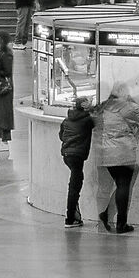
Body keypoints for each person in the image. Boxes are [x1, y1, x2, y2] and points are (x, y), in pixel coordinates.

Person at [94, 81, 139, 233]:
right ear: (122, 91)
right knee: (124, 186)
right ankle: (121, 224)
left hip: (106, 152)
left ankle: (107, 215)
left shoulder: (104, 106)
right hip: (124, 151)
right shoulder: (128, 107)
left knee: (120, 186)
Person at [59, 88, 96, 228]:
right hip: (78, 156)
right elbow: (99, 120)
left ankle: (74, 215)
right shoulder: (87, 120)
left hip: (67, 155)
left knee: (75, 183)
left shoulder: (66, 119)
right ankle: (70, 218)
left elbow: (61, 136)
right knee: (74, 187)